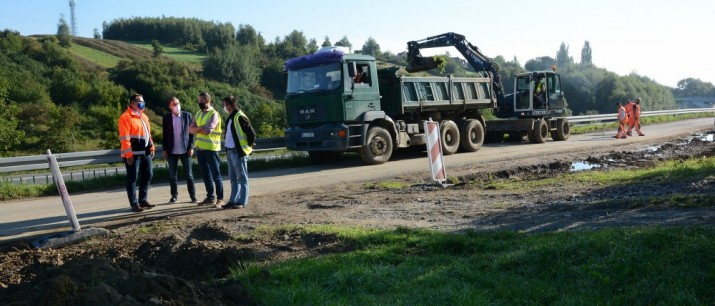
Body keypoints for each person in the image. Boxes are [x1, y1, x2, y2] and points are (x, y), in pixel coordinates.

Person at [118, 93, 156, 212]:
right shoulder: (125, 117)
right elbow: (125, 137)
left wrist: (152, 147)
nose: (142, 103)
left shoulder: (143, 116)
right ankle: (134, 204)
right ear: (132, 103)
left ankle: (143, 200)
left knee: (148, 175)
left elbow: (148, 134)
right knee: (132, 178)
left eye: (142, 101)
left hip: (145, 152)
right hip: (133, 155)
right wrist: (129, 154)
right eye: (140, 101)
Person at [220, 96, 256, 209]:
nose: (224, 107)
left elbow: (252, 134)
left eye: (225, 105)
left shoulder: (239, 116)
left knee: (242, 178)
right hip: (230, 152)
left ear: (230, 105)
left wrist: (247, 147)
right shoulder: (231, 117)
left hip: (238, 152)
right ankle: (233, 200)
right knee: (233, 179)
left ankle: (242, 201)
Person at [189, 92, 224, 207]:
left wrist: (197, 129)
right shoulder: (198, 113)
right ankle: (210, 197)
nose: (199, 103)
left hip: (211, 149)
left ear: (207, 101)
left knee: (216, 174)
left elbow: (207, 130)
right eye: (198, 101)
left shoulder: (214, 114)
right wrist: (200, 128)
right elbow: (190, 130)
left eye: (201, 101)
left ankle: (220, 199)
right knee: (205, 174)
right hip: (200, 148)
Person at [162, 96, 197, 204]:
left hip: (185, 150)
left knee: (189, 175)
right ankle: (174, 196)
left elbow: (192, 133)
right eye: (174, 104)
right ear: (170, 106)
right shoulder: (166, 118)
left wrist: (191, 147)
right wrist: (164, 149)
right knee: (172, 175)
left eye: (178, 103)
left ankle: (193, 196)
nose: (177, 106)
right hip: (172, 151)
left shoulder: (187, 116)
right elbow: (165, 135)